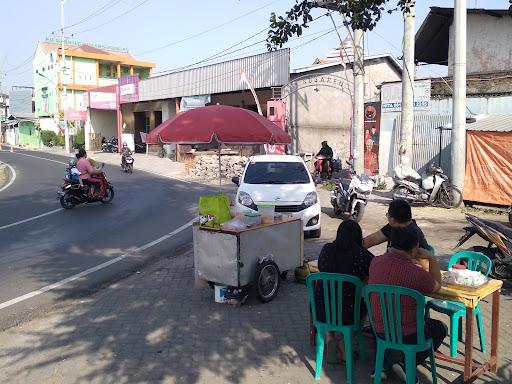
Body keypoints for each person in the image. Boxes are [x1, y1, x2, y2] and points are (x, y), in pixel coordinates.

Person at [368, 226, 446, 383]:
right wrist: (431, 258)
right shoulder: (416, 274)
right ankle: (406, 363)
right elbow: (437, 285)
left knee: (391, 317)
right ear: (414, 248)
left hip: (379, 329)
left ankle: (386, 364)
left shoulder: (375, 263)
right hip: (409, 334)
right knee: (441, 328)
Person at [314, 220, 374, 362]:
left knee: (329, 296)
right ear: (358, 237)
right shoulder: (363, 255)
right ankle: (344, 343)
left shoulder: (327, 249)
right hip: (349, 313)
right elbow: (375, 270)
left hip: (321, 311)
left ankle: (330, 338)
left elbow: (321, 267)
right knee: (365, 303)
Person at [363, 199, 429, 251]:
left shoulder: (413, 233)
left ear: (393, 220)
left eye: (387, 215)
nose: (387, 217)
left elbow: (423, 263)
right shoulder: (394, 225)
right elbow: (373, 239)